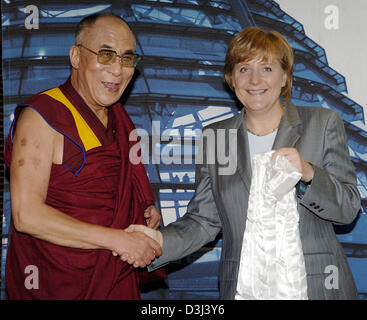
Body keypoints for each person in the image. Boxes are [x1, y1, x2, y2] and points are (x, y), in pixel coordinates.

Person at [128, 27, 361, 299]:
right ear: (231, 79)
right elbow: (203, 220)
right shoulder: (216, 137)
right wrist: (159, 242)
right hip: (244, 287)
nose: (254, 80)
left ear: (285, 76)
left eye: (267, 69)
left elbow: (348, 208)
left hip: (315, 286)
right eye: (243, 69)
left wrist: (309, 174)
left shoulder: (322, 123)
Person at [4, 13, 163, 299]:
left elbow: (117, 189)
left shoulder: (117, 118)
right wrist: (119, 240)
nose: (118, 69)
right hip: (57, 282)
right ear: (76, 57)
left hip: (112, 277)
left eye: (127, 58)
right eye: (105, 55)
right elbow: (26, 216)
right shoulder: (43, 116)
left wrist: (141, 208)